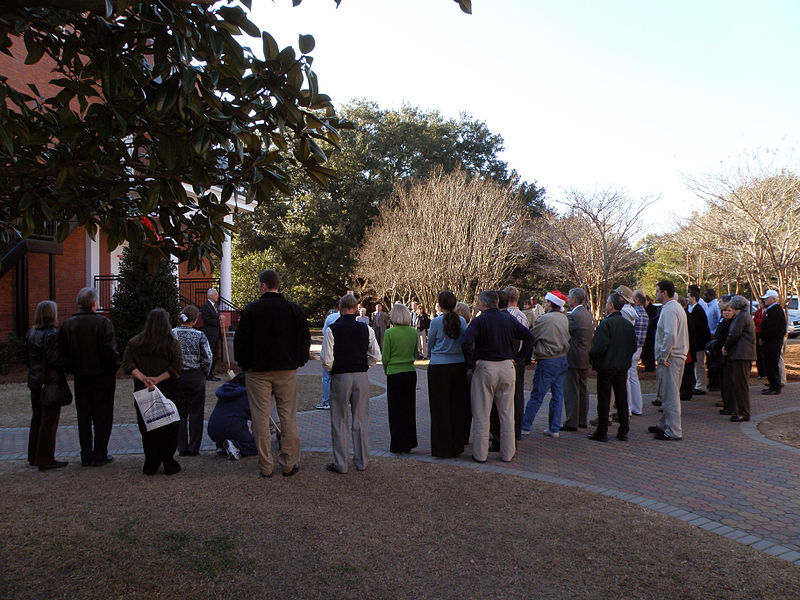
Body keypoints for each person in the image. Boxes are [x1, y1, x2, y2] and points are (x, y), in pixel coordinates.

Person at [234, 270, 309, 478]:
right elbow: (304, 339)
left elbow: (241, 341)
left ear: (263, 286)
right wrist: (298, 361)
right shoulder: (293, 310)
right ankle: (289, 463)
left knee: (260, 417)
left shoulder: (251, 310)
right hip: (286, 370)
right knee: (288, 416)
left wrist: (245, 364)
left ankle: (266, 465)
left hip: (257, 371)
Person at [462, 290, 533, 463]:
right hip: (507, 367)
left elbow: (466, 342)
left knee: (482, 413)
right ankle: (508, 453)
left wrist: (471, 363)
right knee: (507, 413)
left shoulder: (479, 320)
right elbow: (529, 336)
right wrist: (518, 358)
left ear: (483, 304)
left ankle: (480, 454)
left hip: (486, 366)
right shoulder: (508, 319)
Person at [321, 294, 382, 474]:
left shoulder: (333, 329)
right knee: (361, 418)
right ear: (356, 309)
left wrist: (334, 369)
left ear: (340, 309)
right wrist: (364, 366)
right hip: (361, 375)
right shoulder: (366, 329)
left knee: (339, 419)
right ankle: (362, 460)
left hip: (341, 376)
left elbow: (326, 360)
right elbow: (376, 355)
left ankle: (341, 463)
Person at [60, 286, 118, 467]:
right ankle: (100, 453)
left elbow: (64, 352)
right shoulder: (103, 323)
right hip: (102, 376)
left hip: (81, 376)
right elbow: (109, 351)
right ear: (94, 303)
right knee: (103, 415)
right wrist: (113, 367)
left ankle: (86, 454)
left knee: (84, 416)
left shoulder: (69, 324)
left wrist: (72, 368)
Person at [121, 308, 183, 475]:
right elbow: (177, 365)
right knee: (169, 426)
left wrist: (144, 379)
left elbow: (128, 364)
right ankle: (168, 461)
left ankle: (151, 461)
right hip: (167, 389)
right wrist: (158, 379)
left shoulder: (135, 343)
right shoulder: (171, 343)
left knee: (147, 426)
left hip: (143, 389)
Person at [587, 292, 636, 442]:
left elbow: (599, 347)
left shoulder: (606, 324)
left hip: (607, 366)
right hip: (622, 366)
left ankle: (602, 431)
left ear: (612, 305)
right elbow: (633, 346)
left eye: (608, 302)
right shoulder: (627, 324)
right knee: (621, 398)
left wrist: (592, 356)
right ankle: (624, 430)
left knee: (604, 399)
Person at [520, 291, 570, 438]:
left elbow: (531, 335)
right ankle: (554, 428)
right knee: (558, 394)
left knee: (537, 395)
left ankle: (525, 425)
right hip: (562, 358)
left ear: (550, 303)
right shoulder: (564, 318)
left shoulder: (545, 319)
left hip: (548, 360)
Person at [26, 301, 68, 470]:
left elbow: (27, 358)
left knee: (37, 417)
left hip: (35, 380)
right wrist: (67, 364)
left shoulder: (31, 332)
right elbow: (53, 359)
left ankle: (33, 455)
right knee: (49, 420)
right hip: (49, 381)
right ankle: (45, 458)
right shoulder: (52, 334)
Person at [427, 291, 469, 458]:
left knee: (439, 408)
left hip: (439, 368)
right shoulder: (463, 321)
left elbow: (430, 344)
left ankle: (441, 447)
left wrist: (435, 354)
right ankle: (456, 445)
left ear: (440, 304)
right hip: (458, 366)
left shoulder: (436, 322)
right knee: (457, 407)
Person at [649, 280, 688, 441]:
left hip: (671, 357)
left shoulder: (671, 309)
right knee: (666, 393)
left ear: (664, 292)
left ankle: (674, 430)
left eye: (657, 291)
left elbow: (670, 334)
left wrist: (663, 355)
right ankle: (664, 424)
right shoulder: (673, 308)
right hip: (673, 355)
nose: (656, 293)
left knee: (671, 394)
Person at [172, 305, 212, 456]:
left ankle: (182, 447)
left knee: (180, 412)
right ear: (195, 320)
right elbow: (208, 357)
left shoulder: (173, 333)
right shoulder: (200, 335)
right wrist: (204, 372)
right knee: (196, 412)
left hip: (177, 376)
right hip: (196, 376)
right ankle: (194, 447)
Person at [381, 303, 419, 454]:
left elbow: (385, 357)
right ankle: (409, 442)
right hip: (410, 371)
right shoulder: (413, 332)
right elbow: (415, 352)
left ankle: (397, 443)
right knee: (409, 409)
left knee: (395, 410)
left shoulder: (390, 333)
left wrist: (387, 370)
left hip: (394, 372)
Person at [561, 288, 593, 431]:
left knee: (571, 390)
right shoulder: (588, 315)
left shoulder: (572, 316)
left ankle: (571, 421)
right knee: (583, 388)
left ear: (575, 299)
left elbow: (565, 332)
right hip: (586, 356)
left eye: (569, 297)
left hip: (573, 356)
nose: (567, 299)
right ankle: (582, 419)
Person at [207, 373, 257, 460]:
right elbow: (254, 414)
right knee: (255, 447)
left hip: (212, 429)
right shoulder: (244, 394)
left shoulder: (226, 391)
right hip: (231, 427)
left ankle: (221, 445)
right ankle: (235, 445)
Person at [723, 295, 756, 422]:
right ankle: (741, 411)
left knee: (741, 385)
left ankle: (743, 412)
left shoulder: (741, 317)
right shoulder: (744, 316)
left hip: (741, 355)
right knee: (739, 384)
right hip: (742, 354)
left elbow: (734, 334)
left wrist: (725, 347)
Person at [759, 289, 786, 395]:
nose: (765, 300)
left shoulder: (775, 310)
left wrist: (763, 337)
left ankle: (775, 387)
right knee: (769, 364)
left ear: (773, 299)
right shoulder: (771, 310)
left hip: (773, 341)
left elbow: (772, 328)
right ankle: (772, 384)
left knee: (772, 364)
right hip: (770, 341)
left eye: (767, 298)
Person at [316, 307, 341, 410]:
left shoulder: (331, 317)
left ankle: (326, 401)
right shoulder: (352, 320)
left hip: (329, 349)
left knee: (326, 378)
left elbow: (324, 331)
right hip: (341, 351)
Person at [687, 289, 710, 395]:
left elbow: (701, 328)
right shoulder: (693, 309)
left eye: (688, 296)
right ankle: (698, 384)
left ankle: (701, 386)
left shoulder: (698, 310)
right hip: (696, 343)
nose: (687, 299)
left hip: (699, 343)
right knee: (697, 364)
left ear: (694, 297)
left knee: (699, 364)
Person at [201, 288, 222, 381]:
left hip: (216, 333)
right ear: (210, 296)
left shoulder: (216, 305)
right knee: (210, 353)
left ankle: (212, 372)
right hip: (210, 334)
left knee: (216, 353)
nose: (217, 296)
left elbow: (217, 316)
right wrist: (218, 321)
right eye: (216, 294)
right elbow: (206, 320)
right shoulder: (206, 306)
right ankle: (208, 373)